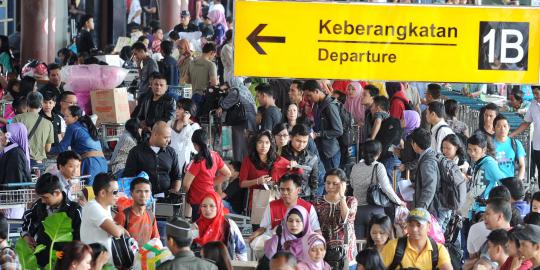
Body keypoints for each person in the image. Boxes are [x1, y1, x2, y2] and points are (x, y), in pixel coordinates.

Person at [21, 173, 82, 267]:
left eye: (45, 197)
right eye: (40, 197)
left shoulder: (74, 210)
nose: (42, 201)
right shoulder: (39, 205)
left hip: (63, 261)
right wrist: (26, 235)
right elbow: (27, 218)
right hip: (41, 260)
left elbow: (79, 239)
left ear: (57, 193)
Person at [351, 140, 404, 238]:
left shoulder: (355, 167)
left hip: (357, 211)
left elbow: (353, 185)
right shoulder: (378, 166)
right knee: (378, 245)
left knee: (359, 247)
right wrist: (399, 201)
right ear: (379, 153)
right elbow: (386, 188)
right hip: (375, 211)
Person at [248, 174, 320, 243]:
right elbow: (263, 228)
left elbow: (316, 230)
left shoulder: (308, 208)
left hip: (301, 246)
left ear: (298, 190)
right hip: (276, 246)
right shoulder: (272, 206)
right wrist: (254, 235)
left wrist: (319, 242)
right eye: (282, 189)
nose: (285, 193)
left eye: (288, 190)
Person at [239, 130, 296, 218]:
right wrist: (258, 181)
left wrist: (294, 164)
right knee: (259, 229)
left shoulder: (277, 159)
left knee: (276, 227)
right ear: (255, 143)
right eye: (260, 142)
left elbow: (298, 171)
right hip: (257, 199)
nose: (264, 146)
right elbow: (242, 183)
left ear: (271, 144)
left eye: (267, 142)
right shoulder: (248, 160)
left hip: (276, 197)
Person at [313, 168, 357, 269]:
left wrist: (342, 197)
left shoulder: (351, 201)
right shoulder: (317, 202)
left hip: (346, 253)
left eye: (335, 183)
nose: (330, 186)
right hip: (324, 252)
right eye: (327, 183)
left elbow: (346, 219)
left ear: (343, 185)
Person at [380, 208, 453, 270]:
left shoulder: (438, 251)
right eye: (411, 225)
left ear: (429, 227)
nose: (414, 229)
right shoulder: (393, 247)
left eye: (419, 225)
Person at [50, 106, 107, 184]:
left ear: (75, 118)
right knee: (99, 189)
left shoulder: (72, 127)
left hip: (90, 163)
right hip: (102, 162)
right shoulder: (86, 125)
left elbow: (61, 148)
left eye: (67, 116)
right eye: (64, 116)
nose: (64, 118)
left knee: (88, 190)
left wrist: (47, 149)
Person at [183, 129, 231, 221]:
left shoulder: (197, 161)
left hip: (198, 200)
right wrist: (211, 183)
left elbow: (186, 185)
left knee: (198, 229)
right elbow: (227, 174)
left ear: (195, 145)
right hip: (211, 198)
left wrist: (184, 195)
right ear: (208, 141)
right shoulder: (215, 155)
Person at [124, 121, 182, 195]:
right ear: (155, 134)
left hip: (166, 199)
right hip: (143, 198)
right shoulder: (136, 152)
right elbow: (128, 177)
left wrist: (174, 193)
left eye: (169, 137)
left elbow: (177, 177)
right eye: (165, 137)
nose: (168, 140)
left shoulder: (171, 152)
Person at [81, 173, 126, 262]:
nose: (118, 195)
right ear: (102, 193)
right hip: (94, 263)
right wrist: (122, 229)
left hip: (104, 261)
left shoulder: (106, 205)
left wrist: (119, 228)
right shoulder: (93, 207)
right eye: (115, 192)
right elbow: (116, 232)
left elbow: (112, 225)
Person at [194, 192, 247, 260]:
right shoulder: (195, 226)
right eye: (204, 206)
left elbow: (241, 250)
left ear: (218, 206)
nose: (207, 209)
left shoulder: (229, 225)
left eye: (212, 206)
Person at [303, 80, 343, 171]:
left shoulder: (330, 106)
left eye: (309, 95)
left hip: (330, 152)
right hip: (321, 149)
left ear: (317, 91)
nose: (308, 98)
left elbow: (338, 130)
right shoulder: (317, 105)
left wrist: (318, 134)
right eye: (306, 96)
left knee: (332, 179)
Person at [218, 77, 257, 162]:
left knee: (239, 144)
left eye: (228, 84)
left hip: (242, 122)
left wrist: (222, 92)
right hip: (251, 121)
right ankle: (246, 164)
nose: (227, 86)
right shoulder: (245, 90)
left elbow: (224, 104)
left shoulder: (236, 91)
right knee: (246, 144)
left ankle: (240, 165)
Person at [467, 132, 506, 217]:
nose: (472, 153)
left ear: (484, 150)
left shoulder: (489, 164)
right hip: (473, 209)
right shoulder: (478, 162)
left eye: (475, 150)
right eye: (469, 149)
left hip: (484, 211)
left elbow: (504, 182)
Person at [113, 177, 159, 247]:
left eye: (146, 191)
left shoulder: (151, 216)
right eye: (138, 191)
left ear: (150, 194)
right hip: (127, 257)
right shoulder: (122, 216)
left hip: (146, 257)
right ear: (131, 193)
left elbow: (155, 241)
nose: (143, 195)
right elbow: (114, 244)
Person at [13, 91, 54, 169]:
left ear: (27, 103)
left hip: (20, 160)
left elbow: (10, 140)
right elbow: (48, 149)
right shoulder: (49, 124)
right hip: (38, 163)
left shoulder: (17, 118)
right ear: (41, 105)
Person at [281, 124, 319, 199]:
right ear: (291, 137)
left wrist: (313, 197)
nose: (301, 145)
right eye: (298, 141)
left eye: (305, 142)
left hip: (305, 196)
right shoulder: (281, 153)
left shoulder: (312, 158)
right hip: (285, 195)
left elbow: (314, 181)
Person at [170, 98, 200, 172]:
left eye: (180, 108)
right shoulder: (171, 123)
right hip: (171, 158)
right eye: (176, 108)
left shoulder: (194, 126)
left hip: (186, 161)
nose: (176, 111)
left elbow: (187, 142)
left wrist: (186, 124)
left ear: (188, 112)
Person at [494, 114, 526, 179]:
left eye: (505, 126)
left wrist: (518, 182)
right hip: (494, 184)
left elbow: (522, 165)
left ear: (509, 127)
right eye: (499, 126)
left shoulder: (516, 144)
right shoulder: (488, 144)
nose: (502, 129)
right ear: (494, 128)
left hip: (510, 183)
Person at [0, 123, 31, 187]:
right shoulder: (12, 152)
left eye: (2, 134)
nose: (1, 137)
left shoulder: (15, 155)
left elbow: (12, 184)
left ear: (9, 136)